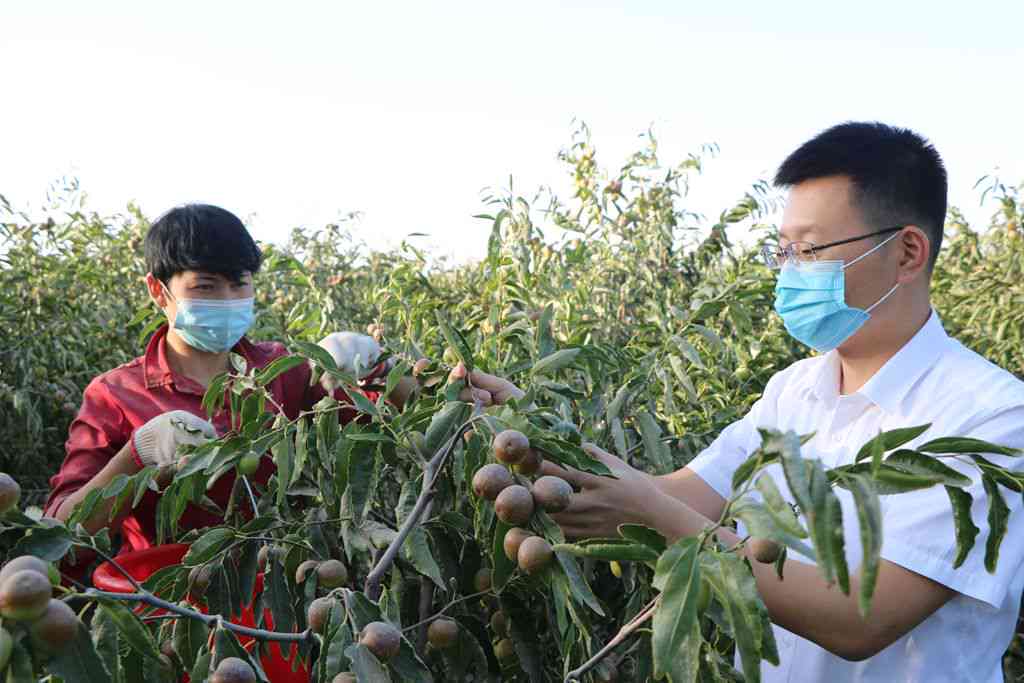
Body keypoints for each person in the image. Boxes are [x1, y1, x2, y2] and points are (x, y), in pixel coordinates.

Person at [459, 122, 1024, 682]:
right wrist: (533, 426)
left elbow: (861, 618)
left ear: (906, 253)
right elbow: (682, 496)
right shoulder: (795, 389)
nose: (789, 274)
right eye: (783, 253)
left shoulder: (991, 417)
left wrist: (650, 515)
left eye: (809, 250)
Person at [45, 204, 418, 556]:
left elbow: (407, 425)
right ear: (158, 290)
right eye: (205, 287)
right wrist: (138, 454)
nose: (227, 299)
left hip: (281, 597)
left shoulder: (284, 373)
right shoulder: (117, 395)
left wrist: (381, 366)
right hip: (170, 605)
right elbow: (62, 536)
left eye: (239, 284)